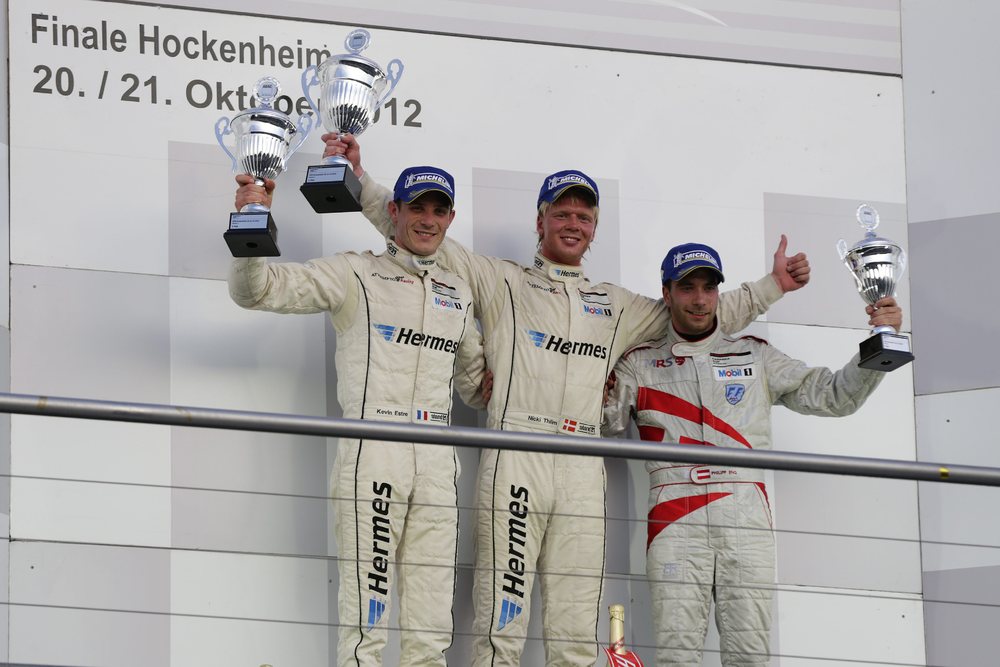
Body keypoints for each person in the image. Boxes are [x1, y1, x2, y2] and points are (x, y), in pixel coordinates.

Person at [320, 133, 810, 666]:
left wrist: (771, 286)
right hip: (517, 456)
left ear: (594, 228)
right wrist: (360, 181)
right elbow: (425, 235)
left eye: (584, 216)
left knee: (576, 633)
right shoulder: (502, 281)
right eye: (562, 214)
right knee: (499, 626)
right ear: (541, 221)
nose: (573, 224)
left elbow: (697, 313)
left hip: (581, 463)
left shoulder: (615, 305)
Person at [229, 166, 487, 666]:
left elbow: (477, 388)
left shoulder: (459, 292)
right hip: (374, 450)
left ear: (450, 218)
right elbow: (254, 291)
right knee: (366, 619)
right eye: (417, 207)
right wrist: (251, 219)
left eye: (438, 210)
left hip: (438, 460)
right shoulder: (355, 273)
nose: (428, 220)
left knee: (431, 624)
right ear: (394, 211)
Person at [602, 242, 901, 666]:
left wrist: (880, 343)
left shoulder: (755, 354)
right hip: (674, 517)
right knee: (675, 656)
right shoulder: (638, 363)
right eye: (687, 288)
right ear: (666, 293)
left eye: (709, 288)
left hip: (745, 516)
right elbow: (606, 425)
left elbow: (833, 396)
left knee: (750, 656)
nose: (700, 299)